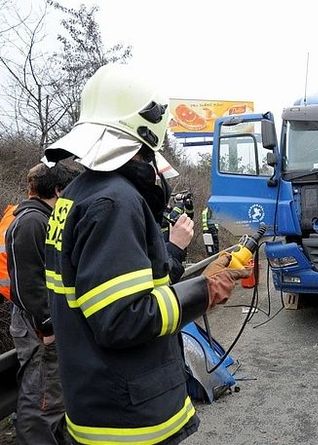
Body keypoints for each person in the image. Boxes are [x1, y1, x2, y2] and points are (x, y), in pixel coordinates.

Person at [43, 63, 250, 445]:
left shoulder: (77, 195)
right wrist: (204, 291)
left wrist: (191, 274)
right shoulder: (115, 202)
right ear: (147, 131)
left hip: (95, 403)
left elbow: (122, 290)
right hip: (129, 420)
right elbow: (123, 319)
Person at [6, 162, 80, 444]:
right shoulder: (31, 222)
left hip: (43, 322)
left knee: (52, 394)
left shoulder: (41, 219)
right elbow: (28, 284)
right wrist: (48, 327)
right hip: (37, 326)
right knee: (42, 398)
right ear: (58, 191)